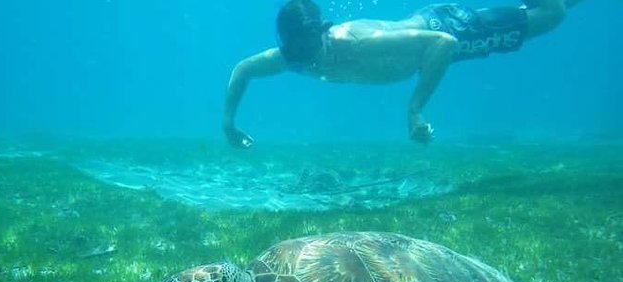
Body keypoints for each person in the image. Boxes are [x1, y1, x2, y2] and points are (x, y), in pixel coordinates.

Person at [222, 0, 583, 147]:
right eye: (291, 51)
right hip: (430, 43)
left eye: (304, 48)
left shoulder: (355, 44)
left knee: (551, 16)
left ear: (321, 31)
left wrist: (415, 110)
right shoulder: (292, 58)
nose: (302, 60)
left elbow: (442, 43)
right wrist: (228, 123)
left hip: (447, 27)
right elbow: (244, 69)